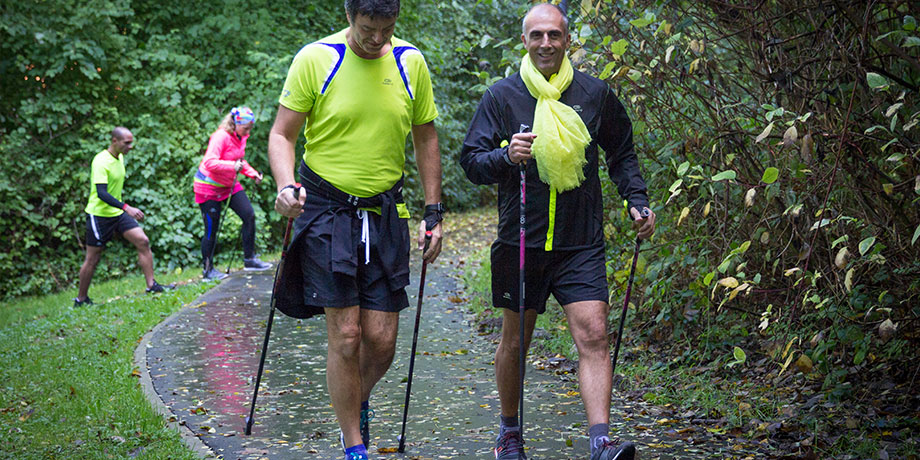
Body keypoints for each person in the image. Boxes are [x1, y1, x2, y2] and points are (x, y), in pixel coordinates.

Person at [459, 4, 657, 460]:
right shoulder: (502, 96)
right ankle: (509, 434)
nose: (545, 43)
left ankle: (601, 442)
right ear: (524, 42)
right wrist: (506, 156)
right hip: (520, 240)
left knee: (594, 333)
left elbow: (621, 153)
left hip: (579, 241)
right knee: (516, 340)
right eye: (537, 36)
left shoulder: (594, 94)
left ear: (567, 39)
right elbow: (471, 161)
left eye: (554, 35)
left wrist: (637, 199)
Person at [267, 1, 444, 459]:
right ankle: (354, 445)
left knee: (382, 341)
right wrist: (287, 187)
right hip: (325, 208)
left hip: (385, 210)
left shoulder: (409, 63)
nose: (377, 39)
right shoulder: (317, 59)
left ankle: (354, 396)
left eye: (387, 29)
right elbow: (282, 135)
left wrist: (433, 210)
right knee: (346, 335)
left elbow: (425, 136)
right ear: (350, 17)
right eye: (368, 28)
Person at [74, 127, 174, 307]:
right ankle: (81, 299)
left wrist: (122, 208)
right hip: (99, 215)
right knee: (93, 258)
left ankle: (151, 286)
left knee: (142, 241)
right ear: (114, 141)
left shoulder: (119, 158)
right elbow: (102, 193)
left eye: (131, 142)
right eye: (126, 143)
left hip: (117, 212)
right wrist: (126, 207)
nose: (130, 146)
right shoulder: (100, 161)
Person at [194, 106, 272, 280]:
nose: (248, 132)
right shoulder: (220, 137)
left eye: (250, 128)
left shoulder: (241, 137)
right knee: (211, 230)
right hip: (208, 187)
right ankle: (208, 270)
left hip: (228, 184)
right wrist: (232, 166)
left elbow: (239, 160)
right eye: (246, 128)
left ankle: (250, 259)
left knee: (249, 215)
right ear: (235, 124)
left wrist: (252, 174)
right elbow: (209, 162)